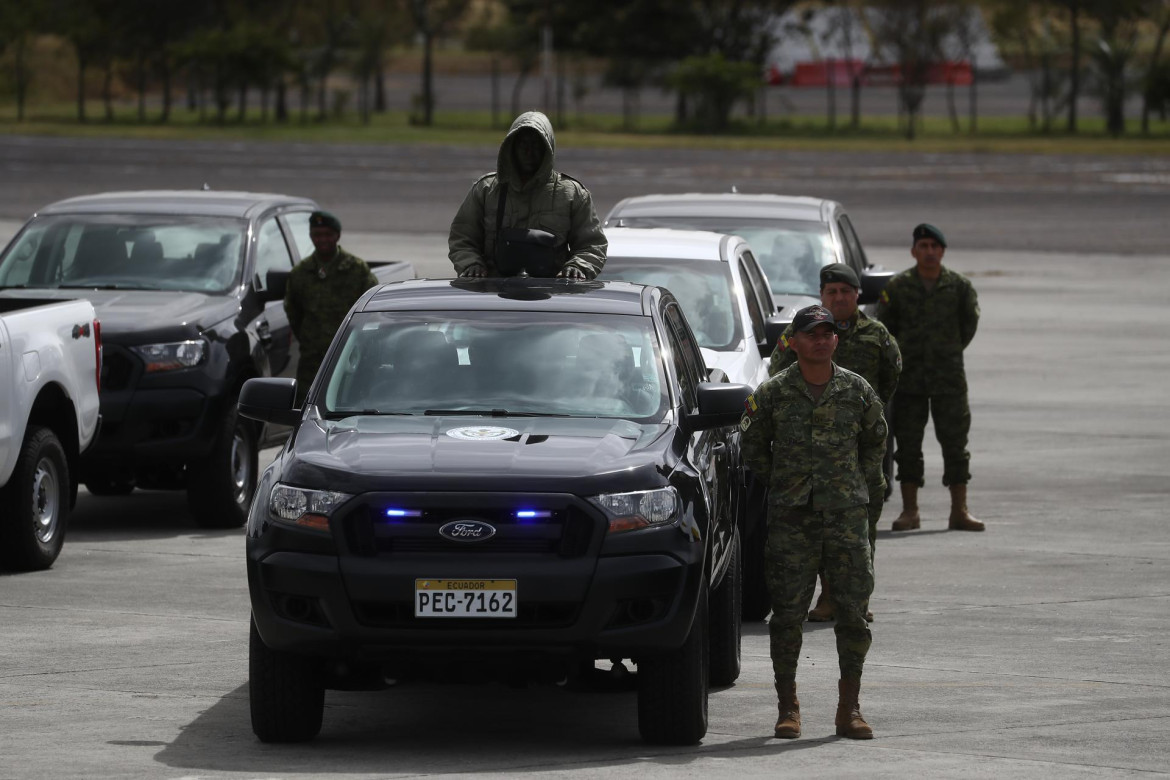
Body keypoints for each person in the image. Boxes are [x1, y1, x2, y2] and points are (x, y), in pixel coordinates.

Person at [741, 304, 886, 741]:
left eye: (828, 333)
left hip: (845, 520)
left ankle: (849, 708)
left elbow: (874, 445)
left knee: (854, 616)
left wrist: (856, 493)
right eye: (812, 333)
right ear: (796, 341)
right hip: (792, 520)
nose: (821, 339)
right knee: (786, 616)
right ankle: (788, 707)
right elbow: (752, 444)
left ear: (835, 341)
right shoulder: (773, 393)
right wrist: (784, 484)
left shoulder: (858, 391)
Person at [769, 263, 901, 623]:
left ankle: (857, 598)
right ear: (822, 295)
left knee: (861, 529)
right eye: (832, 292)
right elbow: (778, 368)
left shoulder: (878, 335)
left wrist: (861, 415)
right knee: (821, 528)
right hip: (812, 453)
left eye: (846, 291)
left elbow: (891, 377)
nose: (839, 297)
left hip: (860, 449)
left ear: (857, 294)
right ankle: (828, 597)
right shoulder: (804, 331)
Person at [876, 224, 983, 532]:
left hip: (948, 379)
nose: (930, 252)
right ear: (913, 251)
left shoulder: (959, 287)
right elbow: (886, 328)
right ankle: (910, 511)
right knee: (908, 445)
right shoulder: (897, 288)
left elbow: (969, 325)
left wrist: (946, 351)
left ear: (943, 251)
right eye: (923, 246)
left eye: (935, 247)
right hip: (909, 381)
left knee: (955, 444)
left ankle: (959, 510)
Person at [448, 111, 607, 280]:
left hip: (551, 297)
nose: (529, 152)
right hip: (494, 295)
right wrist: (472, 264)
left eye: (536, 145)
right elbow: (462, 237)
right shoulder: (487, 190)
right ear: (511, 147)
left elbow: (592, 244)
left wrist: (578, 267)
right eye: (523, 144)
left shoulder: (572, 194)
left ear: (548, 148)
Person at [284, 211, 379, 403]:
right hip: (312, 361)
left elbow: (373, 311)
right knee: (305, 407)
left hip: (350, 358)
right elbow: (293, 312)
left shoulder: (356, 270)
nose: (323, 240)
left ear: (337, 235)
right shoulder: (301, 273)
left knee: (349, 404)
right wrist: (311, 339)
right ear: (311, 237)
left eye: (328, 234)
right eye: (317, 235)